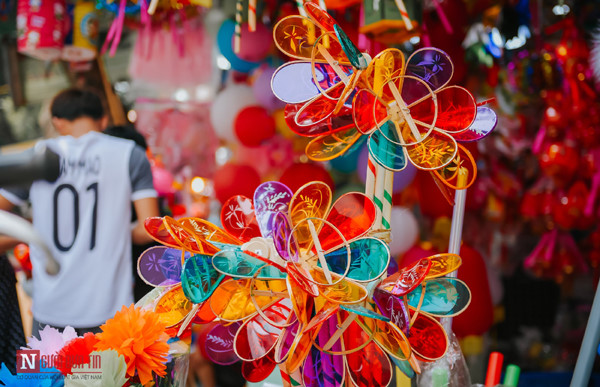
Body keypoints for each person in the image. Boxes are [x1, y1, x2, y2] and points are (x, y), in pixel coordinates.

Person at [0, 88, 159, 337]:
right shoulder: (130, 155)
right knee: (107, 376)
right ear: (103, 120)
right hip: (111, 311)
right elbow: (149, 228)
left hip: (50, 310)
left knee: (46, 376)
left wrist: (31, 229)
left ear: (57, 122)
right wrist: (117, 228)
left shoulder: (37, 156)